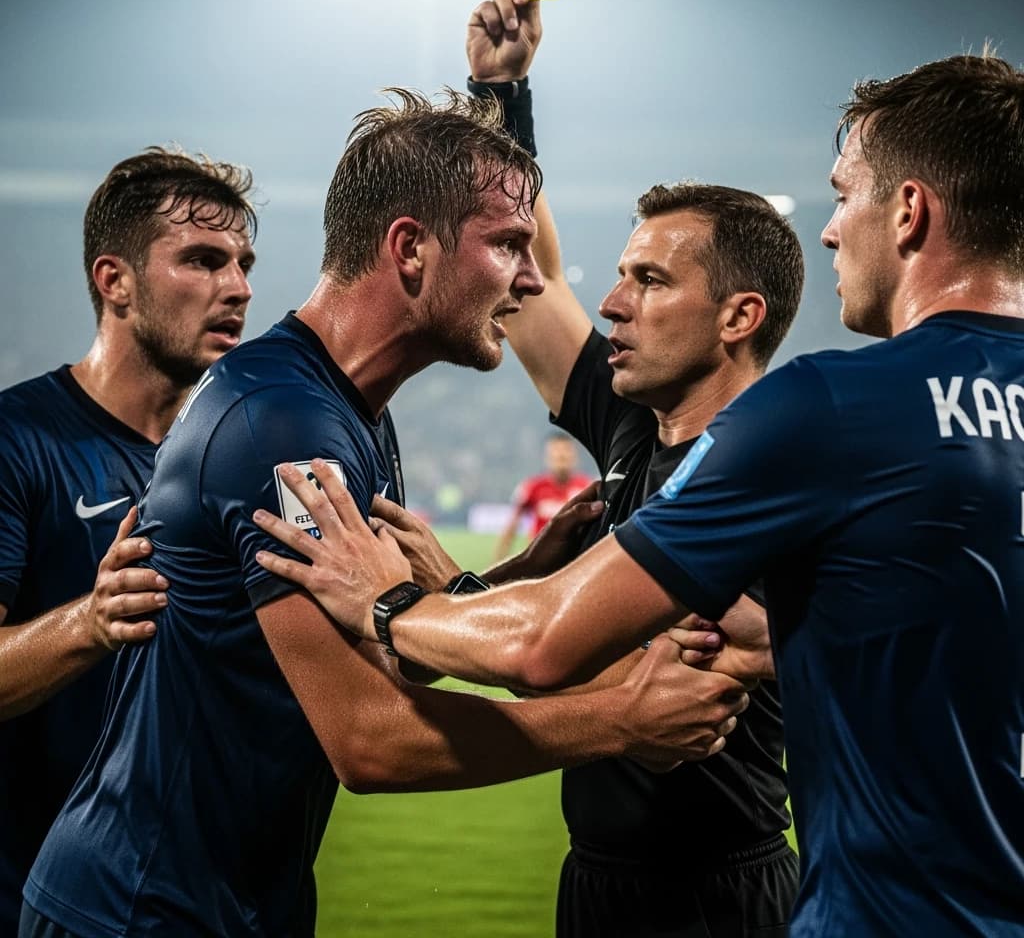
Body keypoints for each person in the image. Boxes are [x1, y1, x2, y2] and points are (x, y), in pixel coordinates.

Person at [253, 50, 1024, 937]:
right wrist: (502, 99)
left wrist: (392, 603)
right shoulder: (636, 426)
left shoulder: (832, 416)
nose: (830, 227)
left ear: (911, 209)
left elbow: (554, 646)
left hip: (813, 902)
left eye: (845, 194)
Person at [19, 90, 751, 938]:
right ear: (410, 249)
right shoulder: (281, 426)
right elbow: (370, 739)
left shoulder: (352, 411)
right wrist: (617, 718)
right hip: (141, 908)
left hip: (232, 900)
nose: (530, 278)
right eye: (508, 244)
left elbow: (386, 651)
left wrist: (501, 582)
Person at [0, 146, 258, 934]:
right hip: (41, 899)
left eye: (244, 263)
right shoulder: (19, 441)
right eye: (203, 260)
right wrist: (92, 620)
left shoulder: (237, 457)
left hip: (207, 897)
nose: (239, 288)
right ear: (115, 281)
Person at [493, 432, 592, 560]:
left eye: (566, 451)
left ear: (575, 456)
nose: (561, 455)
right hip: (539, 561)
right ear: (547, 457)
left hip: (574, 561)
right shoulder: (532, 487)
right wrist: (498, 563)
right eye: (556, 452)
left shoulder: (588, 487)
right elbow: (511, 527)